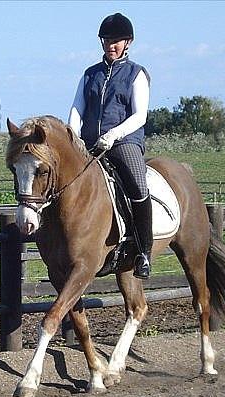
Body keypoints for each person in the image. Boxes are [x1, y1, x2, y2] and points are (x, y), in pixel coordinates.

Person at [68, 12, 152, 279]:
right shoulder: (90, 74)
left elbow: (140, 116)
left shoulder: (135, 74)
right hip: (91, 144)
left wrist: (113, 135)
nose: (110, 45)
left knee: (138, 186)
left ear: (128, 42)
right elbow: (76, 109)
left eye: (116, 41)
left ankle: (143, 252)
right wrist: (73, 135)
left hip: (124, 143)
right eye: (106, 40)